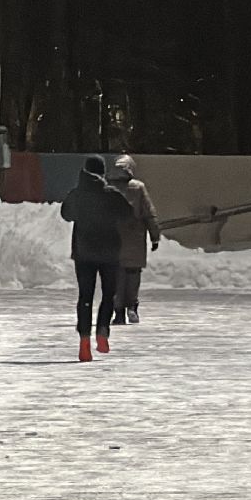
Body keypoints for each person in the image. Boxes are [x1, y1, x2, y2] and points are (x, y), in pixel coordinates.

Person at [59, 155, 131, 361]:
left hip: (84, 253)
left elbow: (66, 214)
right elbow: (128, 214)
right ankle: (102, 332)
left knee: (85, 297)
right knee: (109, 294)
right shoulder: (111, 194)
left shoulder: (76, 194)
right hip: (109, 253)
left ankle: (84, 342)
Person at [109, 154, 160, 325]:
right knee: (133, 275)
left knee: (117, 276)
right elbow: (149, 213)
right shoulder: (138, 188)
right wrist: (155, 236)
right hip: (135, 239)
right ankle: (132, 307)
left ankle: (118, 312)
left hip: (113, 240)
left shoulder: (108, 187)